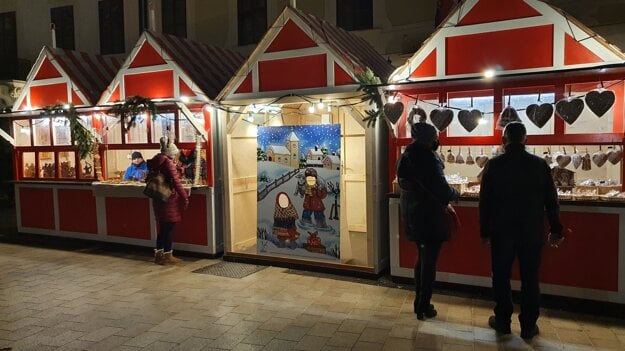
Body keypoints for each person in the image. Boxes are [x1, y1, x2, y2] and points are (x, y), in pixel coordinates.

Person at [479, 122, 566, 339]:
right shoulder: (539, 165)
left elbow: (485, 202)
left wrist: (485, 231)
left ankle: (502, 322)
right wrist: (556, 228)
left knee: (500, 277)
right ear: (526, 140)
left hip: (502, 231)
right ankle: (528, 326)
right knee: (530, 279)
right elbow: (551, 201)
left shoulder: (494, 165)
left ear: (503, 141)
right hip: (531, 231)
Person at [396, 122, 459, 320]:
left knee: (422, 257)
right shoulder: (429, 158)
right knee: (429, 260)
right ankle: (423, 305)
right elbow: (441, 187)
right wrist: (455, 193)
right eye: (435, 137)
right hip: (429, 214)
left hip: (411, 212)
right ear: (431, 138)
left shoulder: (405, 155)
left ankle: (419, 301)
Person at [147, 137, 189, 265]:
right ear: (171, 153)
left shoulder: (156, 161)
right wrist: (185, 197)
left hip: (158, 197)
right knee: (169, 227)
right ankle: (168, 255)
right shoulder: (168, 163)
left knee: (163, 227)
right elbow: (175, 181)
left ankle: (159, 255)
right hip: (168, 199)